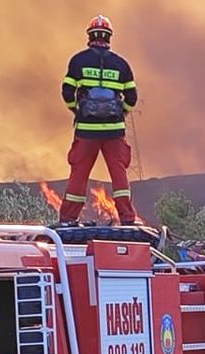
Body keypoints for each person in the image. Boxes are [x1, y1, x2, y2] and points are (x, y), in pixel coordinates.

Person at [58, 15, 140, 226]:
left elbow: (67, 91)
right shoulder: (121, 64)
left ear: (90, 35)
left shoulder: (78, 61)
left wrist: (77, 111)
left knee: (79, 173)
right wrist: (121, 113)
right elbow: (132, 97)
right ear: (109, 37)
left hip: (86, 130)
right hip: (115, 131)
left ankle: (68, 218)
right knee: (119, 175)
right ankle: (128, 219)